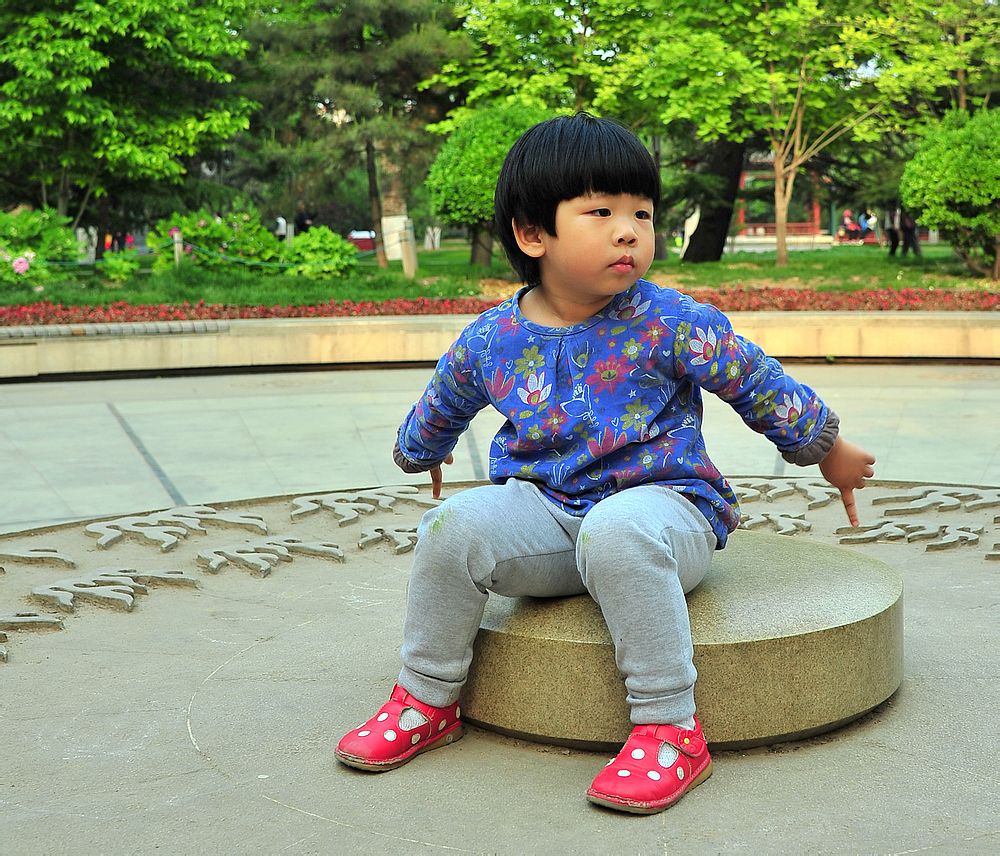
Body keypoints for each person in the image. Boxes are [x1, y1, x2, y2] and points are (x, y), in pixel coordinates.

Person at [334, 114, 876, 815]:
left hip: (665, 515)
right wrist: (422, 449)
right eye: (601, 212)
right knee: (451, 526)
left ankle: (669, 729)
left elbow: (755, 380)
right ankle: (426, 699)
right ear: (533, 234)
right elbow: (445, 397)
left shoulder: (671, 320)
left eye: (641, 214)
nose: (629, 231)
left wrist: (827, 448)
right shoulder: (493, 337)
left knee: (617, 530)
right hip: (548, 515)